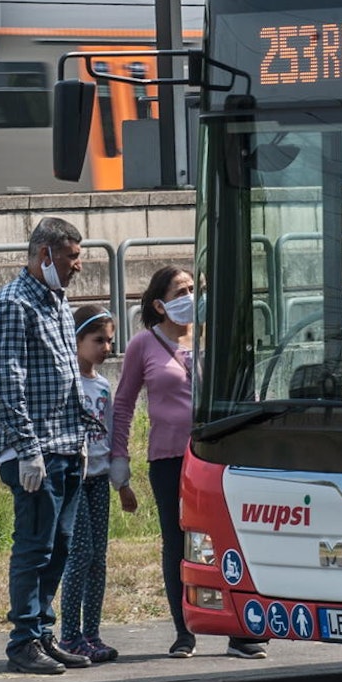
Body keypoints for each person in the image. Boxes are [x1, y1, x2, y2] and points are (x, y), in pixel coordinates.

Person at [110, 266, 270, 660]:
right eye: (181, 290)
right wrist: (119, 457)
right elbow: (124, 404)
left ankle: (240, 631)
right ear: (160, 303)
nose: (191, 296)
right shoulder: (143, 345)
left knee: (227, 542)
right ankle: (184, 630)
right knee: (177, 543)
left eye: (195, 289)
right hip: (168, 459)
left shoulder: (210, 341)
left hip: (215, 457)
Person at [0, 216, 99, 675]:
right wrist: (27, 448)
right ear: (45, 255)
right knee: (34, 546)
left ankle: (43, 634)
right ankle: (23, 641)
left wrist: (81, 436)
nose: (78, 267)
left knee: (61, 545)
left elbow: (67, 375)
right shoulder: (14, 304)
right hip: (37, 451)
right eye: (73, 257)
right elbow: (6, 381)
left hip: (67, 444)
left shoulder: (54, 299)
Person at [57, 303, 136, 664]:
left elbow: (110, 432)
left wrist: (121, 482)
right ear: (75, 341)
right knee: (80, 554)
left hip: (100, 478)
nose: (106, 348)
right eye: (97, 340)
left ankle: (92, 633)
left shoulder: (103, 385)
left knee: (98, 559)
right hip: (77, 477)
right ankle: (70, 634)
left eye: (109, 340)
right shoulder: (66, 381)